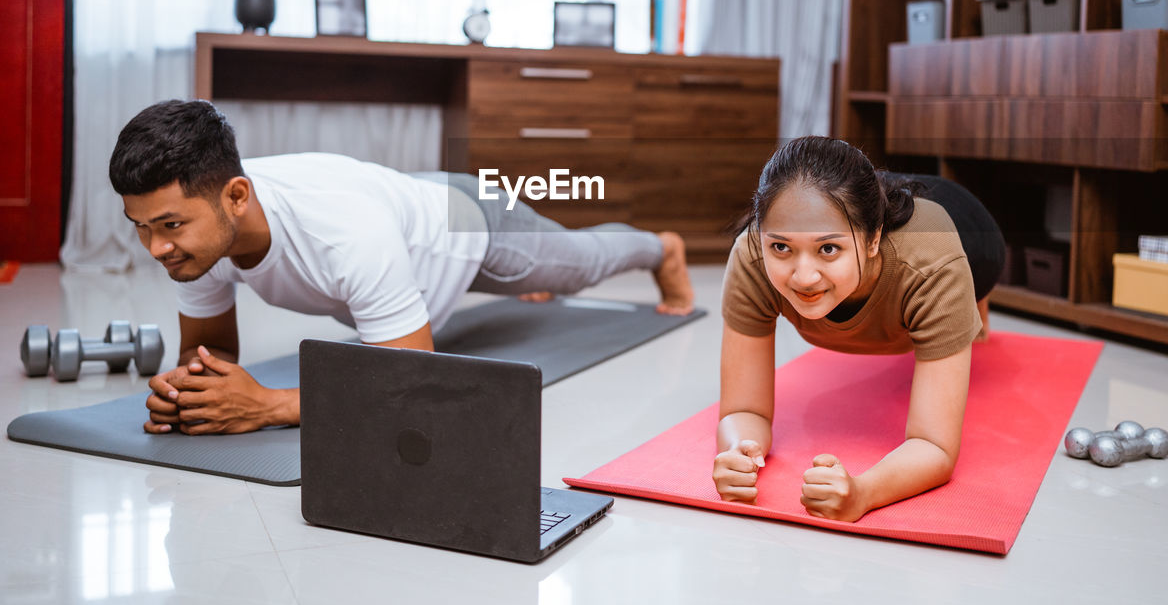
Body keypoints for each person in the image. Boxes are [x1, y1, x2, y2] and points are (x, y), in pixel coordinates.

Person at [110, 99, 694, 435]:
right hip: (402, 208)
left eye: (169, 227)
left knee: (576, 266)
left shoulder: (344, 233)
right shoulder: (199, 233)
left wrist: (268, 405)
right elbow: (210, 353)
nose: (156, 248)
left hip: (464, 222)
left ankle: (660, 248)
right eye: (142, 227)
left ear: (237, 196)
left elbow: (411, 381)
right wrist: (187, 390)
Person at [712, 136, 1004, 522]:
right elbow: (744, 409)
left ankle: (972, 307)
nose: (803, 276)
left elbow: (934, 445)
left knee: (970, 285)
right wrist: (736, 450)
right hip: (863, 203)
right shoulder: (751, 255)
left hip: (966, 227)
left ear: (873, 240)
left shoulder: (932, 261)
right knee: (835, 204)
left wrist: (864, 493)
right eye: (781, 247)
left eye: (828, 249)